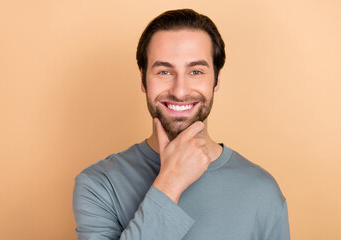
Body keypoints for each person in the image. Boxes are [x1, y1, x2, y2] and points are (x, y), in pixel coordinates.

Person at [73, 8, 290, 240]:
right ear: (143, 80)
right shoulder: (98, 185)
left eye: (196, 71)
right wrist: (170, 183)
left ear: (216, 80)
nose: (180, 91)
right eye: (164, 71)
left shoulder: (262, 191)